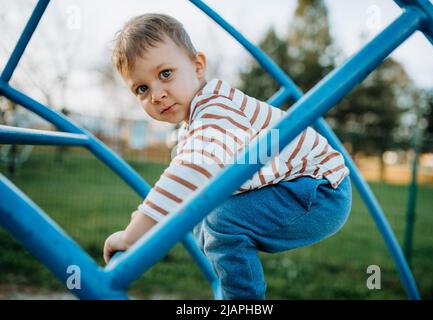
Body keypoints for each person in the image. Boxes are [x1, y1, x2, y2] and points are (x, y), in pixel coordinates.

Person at [103, 13, 352, 300]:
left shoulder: (215, 110)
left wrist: (133, 234)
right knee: (202, 215)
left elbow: (189, 171)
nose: (157, 94)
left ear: (197, 67)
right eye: (142, 89)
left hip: (319, 190)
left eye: (165, 74)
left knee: (221, 221)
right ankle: (227, 280)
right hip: (298, 185)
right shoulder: (197, 122)